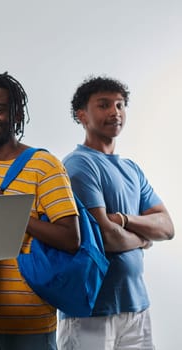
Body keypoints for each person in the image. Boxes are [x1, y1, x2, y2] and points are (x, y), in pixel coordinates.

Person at [0, 72, 81, 350]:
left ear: (16, 115)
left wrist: (9, 213)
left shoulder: (44, 166)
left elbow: (71, 239)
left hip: (29, 325)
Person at [59, 76, 175, 350]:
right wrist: (144, 239)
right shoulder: (79, 165)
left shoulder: (131, 168)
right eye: (104, 105)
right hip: (92, 310)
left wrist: (124, 220)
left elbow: (167, 227)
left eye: (120, 105)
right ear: (82, 115)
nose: (115, 112)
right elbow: (106, 238)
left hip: (136, 307)